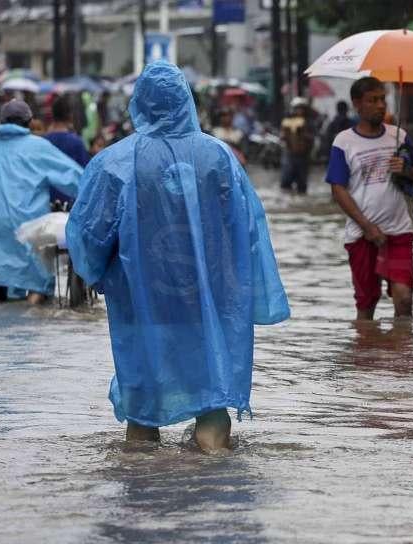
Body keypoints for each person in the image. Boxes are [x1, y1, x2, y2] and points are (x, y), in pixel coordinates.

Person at [65, 62, 290, 452]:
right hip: (212, 297)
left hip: (143, 298)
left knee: (142, 404)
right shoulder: (219, 157)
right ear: (187, 100)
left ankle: (148, 483)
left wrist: (96, 273)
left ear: (139, 103)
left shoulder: (115, 161)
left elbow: (88, 233)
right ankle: (214, 480)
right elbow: (248, 230)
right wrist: (247, 289)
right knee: (212, 389)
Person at [326, 77, 413, 321]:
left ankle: (401, 355)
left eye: (382, 99)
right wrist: (367, 227)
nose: (380, 105)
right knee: (366, 304)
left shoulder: (399, 136)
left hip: (399, 231)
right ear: (357, 104)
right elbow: (338, 189)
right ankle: (365, 356)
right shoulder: (343, 142)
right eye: (372, 100)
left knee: (404, 299)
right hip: (362, 235)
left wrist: (406, 169)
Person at [0, 99, 83, 304]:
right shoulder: (39, 147)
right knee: (35, 306)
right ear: (29, 122)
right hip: (26, 235)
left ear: (0, 122)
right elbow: (76, 179)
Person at [45, 96, 91, 209]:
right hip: (70, 203)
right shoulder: (76, 142)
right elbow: (85, 174)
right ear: (70, 116)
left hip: (47, 202)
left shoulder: (44, 141)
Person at [280, 97, 315, 194]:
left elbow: (312, 138)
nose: (299, 111)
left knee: (302, 184)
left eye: (301, 108)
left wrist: (303, 133)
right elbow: (282, 137)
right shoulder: (287, 122)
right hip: (289, 155)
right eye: (297, 108)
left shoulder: (309, 122)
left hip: (303, 156)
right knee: (286, 182)